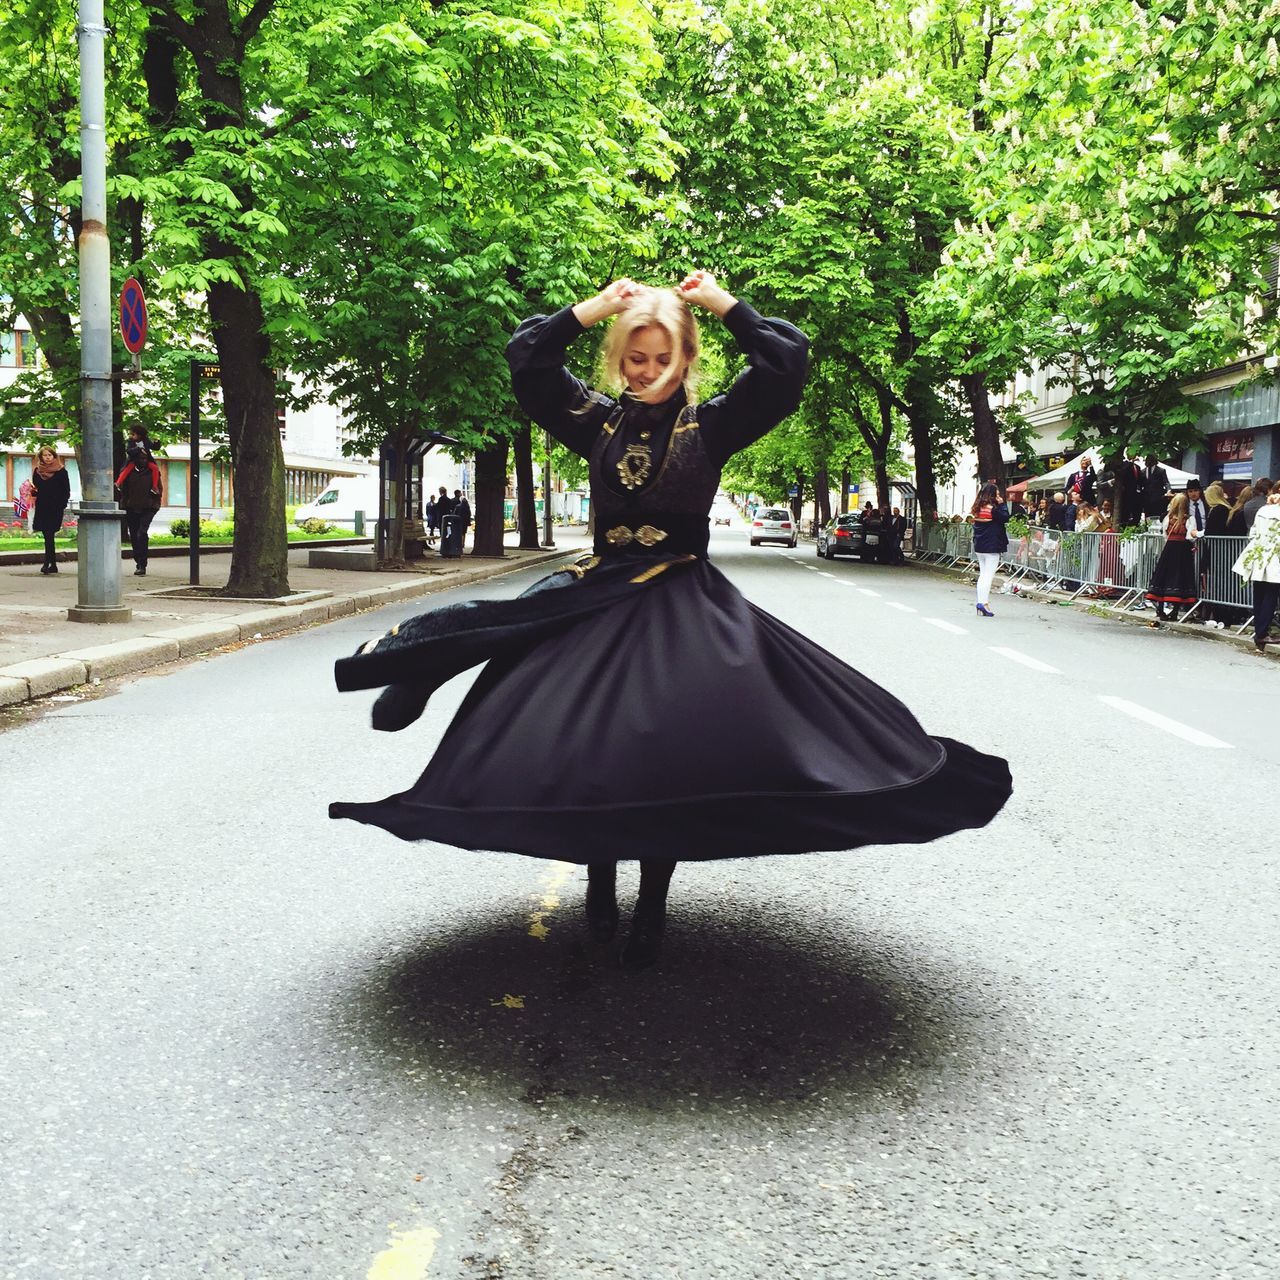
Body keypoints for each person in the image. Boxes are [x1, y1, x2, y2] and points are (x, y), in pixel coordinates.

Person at [329, 271, 1012, 969]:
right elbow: (530, 361)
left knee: (665, 766)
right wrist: (593, 309)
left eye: (662, 361)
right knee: (530, 668)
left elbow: (786, 363)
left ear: (686, 359)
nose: (647, 374)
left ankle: (651, 902)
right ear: (618, 358)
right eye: (634, 359)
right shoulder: (595, 419)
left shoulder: (711, 424)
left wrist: (720, 303)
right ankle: (432, 692)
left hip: (680, 602)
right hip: (597, 590)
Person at [1232, 490, 1280, 652]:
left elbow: (1253, 533)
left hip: (1258, 553)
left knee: (1259, 594)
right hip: (1274, 555)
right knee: (1270, 595)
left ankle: (1260, 631)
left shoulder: (1262, 510)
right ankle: (1262, 632)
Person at [1145, 492, 1200, 621]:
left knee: (1164, 577)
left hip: (1169, 549)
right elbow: (1189, 537)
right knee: (1180, 579)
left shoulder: (1168, 518)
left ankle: (1160, 609)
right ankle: (1174, 611)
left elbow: (1164, 534)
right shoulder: (1189, 519)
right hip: (1182, 551)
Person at [115, 440, 162, 575]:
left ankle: (143, 563)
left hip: (148, 508)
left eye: (145, 458)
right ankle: (138, 561)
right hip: (131, 507)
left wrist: (154, 505)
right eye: (140, 458)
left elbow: (159, 489)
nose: (143, 460)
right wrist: (125, 503)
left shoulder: (153, 471)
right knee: (134, 535)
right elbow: (123, 490)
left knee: (142, 533)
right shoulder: (128, 471)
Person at [30, 446, 71, 574]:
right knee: (47, 534)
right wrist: (33, 492)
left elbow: (66, 490)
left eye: (50, 455)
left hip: (55, 507)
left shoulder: (61, 471)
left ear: (54, 456)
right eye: (45, 455)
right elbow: (38, 488)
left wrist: (62, 505)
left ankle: (48, 562)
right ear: (41, 457)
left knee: (49, 533)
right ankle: (51, 563)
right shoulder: (37, 471)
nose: (47, 458)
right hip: (43, 506)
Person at [971, 482, 1009, 617]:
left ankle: (980, 601)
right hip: (992, 545)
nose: (998, 496)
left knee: (983, 574)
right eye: (997, 494)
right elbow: (1005, 518)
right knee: (988, 576)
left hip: (980, 545)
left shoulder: (977, 508)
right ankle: (984, 602)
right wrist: (1002, 504)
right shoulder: (993, 509)